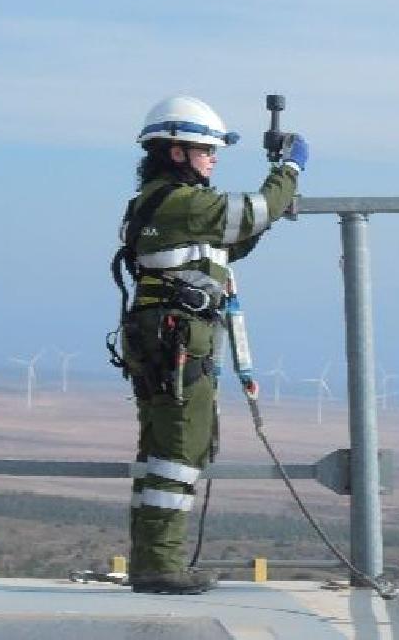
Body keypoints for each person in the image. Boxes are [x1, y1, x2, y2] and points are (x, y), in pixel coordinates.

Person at [115, 95, 308, 595]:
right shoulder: (182, 202)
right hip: (180, 338)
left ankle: (152, 560)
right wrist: (289, 169)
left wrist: (264, 217)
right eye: (206, 150)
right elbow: (252, 213)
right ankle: (160, 566)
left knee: (162, 452)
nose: (213, 158)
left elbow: (233, 239)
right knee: (180, 451)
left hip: (163, 335)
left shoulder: (162, 203)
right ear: (175, 152)